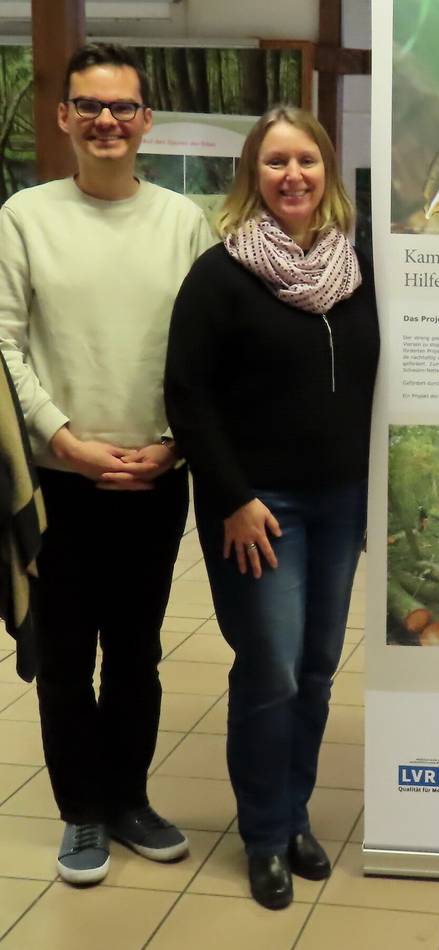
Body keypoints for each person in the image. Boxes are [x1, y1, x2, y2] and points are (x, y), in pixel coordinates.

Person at [0, 43, 215, 884]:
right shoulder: (25, 217)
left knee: (137, 651)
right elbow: (4, 344)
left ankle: (128, 798)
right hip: (58, 481)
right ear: (64, 117)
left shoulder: (183, 221)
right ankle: (81, 814)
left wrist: (173, 444)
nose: (105, 121)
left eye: (122, 107)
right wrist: (64, 440)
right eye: (88, 105)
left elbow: (201, 352)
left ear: (145, 120)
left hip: (156, 477)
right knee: (62, 652)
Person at [164, 106, 379, 910]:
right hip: (260, 511)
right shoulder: (220, 276)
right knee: (272, 672)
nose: (293, 176)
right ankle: (263, 835)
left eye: (308, 162)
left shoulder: (355, 275)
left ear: (327, 172)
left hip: (339, 503)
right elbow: (187, 394)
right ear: (252, 176)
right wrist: (233, 497)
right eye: (276, 162)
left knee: (318, 669)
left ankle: (293, 816)